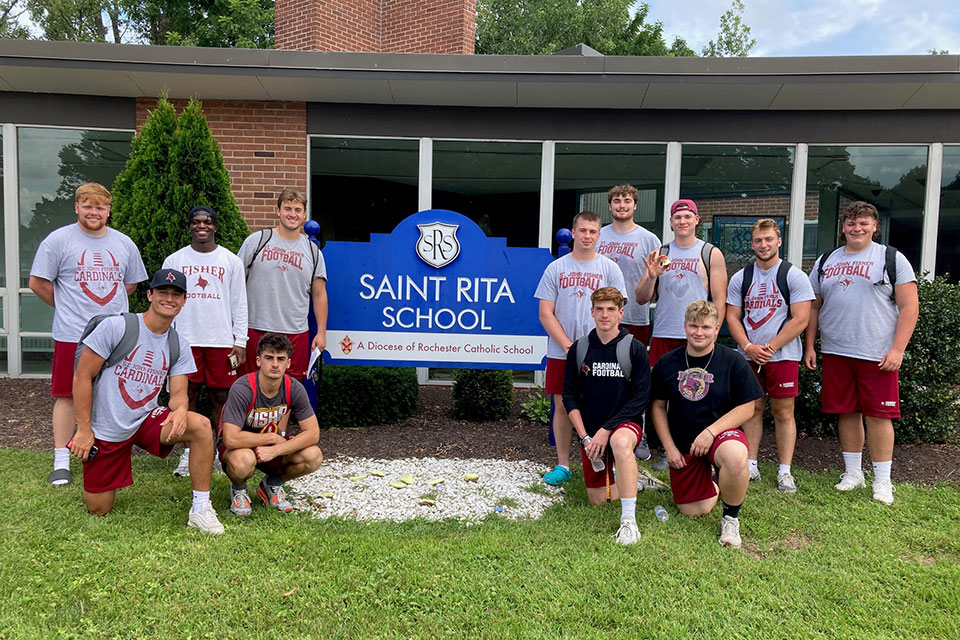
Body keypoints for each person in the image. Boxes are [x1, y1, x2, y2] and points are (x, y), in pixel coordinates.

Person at [70, 268, 224, 534]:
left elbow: (178, 393)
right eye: (162, 292)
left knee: (199, 425)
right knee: (99, 507)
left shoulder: (178, 344)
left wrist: (180, 410)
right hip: (107, 429)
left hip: (144, 419)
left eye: (176, 294)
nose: (169, 298)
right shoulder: (117, 326)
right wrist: (84, 430)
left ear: (184, 300)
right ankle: (101, 472)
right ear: (150, 294)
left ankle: (200, 508)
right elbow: (82, 376)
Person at [29, 182, 148, 486]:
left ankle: (104, 451)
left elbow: (131, 283)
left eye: (100, 207)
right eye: (88, 206)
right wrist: (67, 305)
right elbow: (38, 282)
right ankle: (60, 460)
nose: (94, 212)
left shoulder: (123, 243)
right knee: (67, 394)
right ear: (77, 207)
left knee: (110, 395)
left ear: (109, 211)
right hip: (72, 333)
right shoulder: (58, 241)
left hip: (116, 335)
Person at [804, 201, 919, 505]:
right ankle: (853, 472)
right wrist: (810, 344)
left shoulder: (891, 258)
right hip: (836, 350)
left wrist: (898, 349)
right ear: (843, 227)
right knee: (846, 411)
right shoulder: (826, 259)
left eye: (864, 223)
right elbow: (814, 306)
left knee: (879, 415)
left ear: (874, 226)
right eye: (852, 223)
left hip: (877, 353)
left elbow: (909, 306)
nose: (857, 229)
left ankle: (883, 479)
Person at [650, 301, 763, 548]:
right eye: (693, 326)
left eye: (705, 327)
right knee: (694, 509)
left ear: (716, 328)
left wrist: (711, 432)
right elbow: (658, 406)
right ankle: (714, 480)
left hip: (721, 436)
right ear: (684, 326)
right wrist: (669, 448)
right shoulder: (668, 363)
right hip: (684, 443)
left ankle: (731, 519)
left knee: (735, 456)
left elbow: (748, 407)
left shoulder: (732, 361)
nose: (699, 332)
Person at [535, 211, 626, 486]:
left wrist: (600, 345)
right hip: (562, 351)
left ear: (599, 235)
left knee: (602, 403)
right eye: (583, 231)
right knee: (562, 404)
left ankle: (604, 460)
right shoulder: (556, 268)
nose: (587, 236)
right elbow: (545, 313)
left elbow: (618, 310)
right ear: (573, 233)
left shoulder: (609, 268)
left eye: (593, 232)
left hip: (600, 350)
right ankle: (563, 464)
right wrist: (568, 345)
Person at [726, 219, 814, 493]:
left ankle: (784, 470)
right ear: (751, 244)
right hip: (749, 356)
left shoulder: (794, 276)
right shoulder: (741, 277)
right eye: (758, 240)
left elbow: (801, 319)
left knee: (783, 412)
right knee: (751, 409)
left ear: (778, 241)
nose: (763, 245)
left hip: (783, 356)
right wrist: (749, 347)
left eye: (768, 240)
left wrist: (771, 347)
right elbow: (732, 316)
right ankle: (750, 464)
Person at [162, 205, 248, 477]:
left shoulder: (230, 261)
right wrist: (166, 338)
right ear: (189, 226)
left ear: (215, 226)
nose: (202, 226)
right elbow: (165, 302)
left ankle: (221, 451)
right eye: (196, 221)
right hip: (185, 339)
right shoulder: (175, 261)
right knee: (187, 396)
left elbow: (240, 304)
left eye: (208, 221)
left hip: (221, 340)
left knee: (222, 397)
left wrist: (241, 340)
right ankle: (189, 452)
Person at [562, 287, 651, 545]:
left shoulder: (634, 349)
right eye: (599, 309)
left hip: (624, 425)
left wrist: (606, 430)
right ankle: (633, 477)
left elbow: (639, 399)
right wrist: (585, 436)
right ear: (591, 312)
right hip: (591, 433)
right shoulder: (580, 349)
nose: (604, 315)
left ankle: (629, 521)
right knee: (599, 501)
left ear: (620, 313)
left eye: (611, 309)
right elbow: (569, 397)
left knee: (620, 443)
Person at [219, 332, 323, 517]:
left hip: (270, 446)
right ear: (258, 361)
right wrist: (271, 438)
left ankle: (271, 484)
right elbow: (231, 437)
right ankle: (239, 489)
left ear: (288, 363)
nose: (275, 364)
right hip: (239, 446)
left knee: (313, 456)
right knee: (243, 462)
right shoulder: (243, 387)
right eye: (269, 358)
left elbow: (313, 433)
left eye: (281, 359)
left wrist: (275, 450)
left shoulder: (294, 388)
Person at [236, 188, 327, 380]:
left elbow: (319, 294)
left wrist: (321, 332)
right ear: (278, 211)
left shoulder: (312, 252)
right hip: (256, 327)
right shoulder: (257, 241)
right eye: (287, 209)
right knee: (251, 385)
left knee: (290, 389)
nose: (292, 214)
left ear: (304, 215)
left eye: (297, 210)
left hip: (295, 331)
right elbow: (235, 284)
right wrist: (235, 328)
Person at [635, 199, 728, 367]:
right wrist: (651, 277)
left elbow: (719, 299)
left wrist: (713, 334)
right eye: (677, 217)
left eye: (687, 216)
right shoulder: (660, 254)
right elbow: (641, 298)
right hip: (664, 333)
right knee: (661, 388)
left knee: (695, 386)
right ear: (671, 222)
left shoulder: (710, 253)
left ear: (697, 219)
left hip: (697, 334)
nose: (682, 221)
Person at [596, 185, 661, 345]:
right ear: (610, 206)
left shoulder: (649, 239)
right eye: (617, 201)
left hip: (635, 317)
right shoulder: (597, 236)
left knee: (632, 366)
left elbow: (655, 284)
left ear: (635, 205)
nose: (622, 205)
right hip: (600, 315)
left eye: (627, 201)